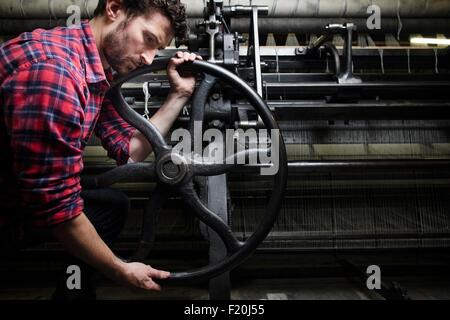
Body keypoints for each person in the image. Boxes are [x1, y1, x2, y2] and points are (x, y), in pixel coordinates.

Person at [0, 0, 200, 299]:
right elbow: (55, 208)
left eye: (157, 49)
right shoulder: (56, 73)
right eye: (148, 39)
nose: (148, 59)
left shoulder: (93, 68)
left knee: (111, 205)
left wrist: (180, 94)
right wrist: (119, 269)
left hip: (19, 199)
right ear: (114, 8)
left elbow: (130, 150)